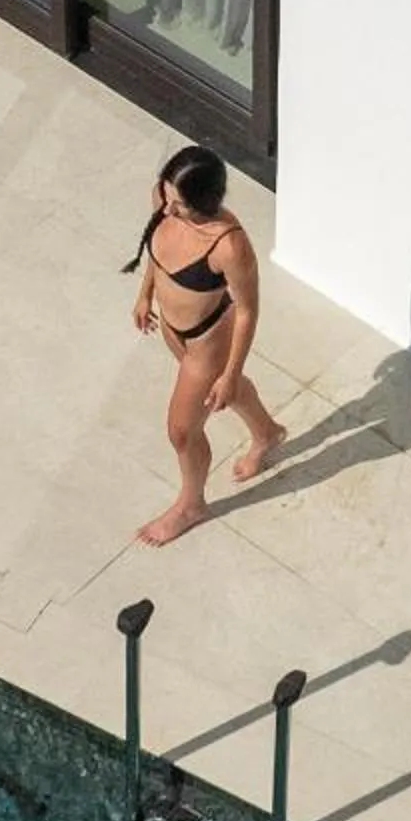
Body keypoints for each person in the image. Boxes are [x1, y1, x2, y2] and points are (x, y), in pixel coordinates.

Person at [125, 145, 284, 546]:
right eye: (167, 197)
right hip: (174, 330)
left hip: (207, 343)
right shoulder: (164, 199)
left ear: (203, 202)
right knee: (217, 395)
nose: (169, 209)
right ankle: (267, 433)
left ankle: (191, 504)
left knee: (182, 431)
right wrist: (145, 294)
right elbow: (157, 254)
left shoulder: (229, 246)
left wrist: (229, 373)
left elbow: (247, 311)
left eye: (180, 204)